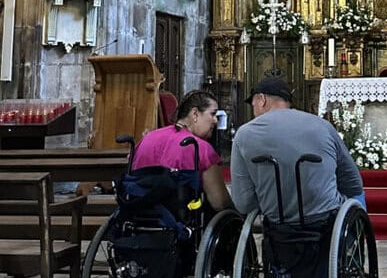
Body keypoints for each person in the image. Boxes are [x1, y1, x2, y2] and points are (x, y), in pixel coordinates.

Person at [231, 75, 364, 223]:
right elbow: (353, 183)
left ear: (262, 99)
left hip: (277, 225)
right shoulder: (322, 125)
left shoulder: (244, 134)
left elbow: (243, 202)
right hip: (326, 221)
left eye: (253, 103)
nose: (253, 110)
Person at [132, 89, 232, 212]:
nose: (216, 121)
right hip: (181, 222)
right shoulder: (200, 148)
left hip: (140, 217)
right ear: (195, 113)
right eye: (213, 114)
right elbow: (220, 203)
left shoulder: (148, 138)